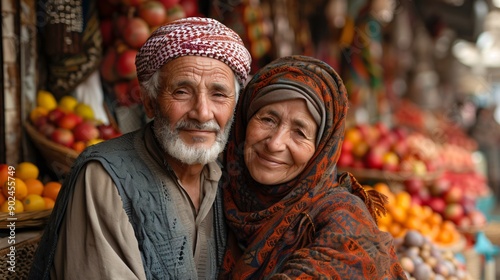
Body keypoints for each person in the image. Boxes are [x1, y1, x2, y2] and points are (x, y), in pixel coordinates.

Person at [29, 17, 251, 280]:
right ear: (149, 102)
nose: (203, 113)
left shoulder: (228, 178)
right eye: (182, 91)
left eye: (219, 94)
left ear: (234, 106)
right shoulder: (104, 177)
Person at [219, 55, 407, 279]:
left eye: (300, 132)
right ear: (244, 120)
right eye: (268, 119)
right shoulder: (215, 186)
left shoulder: (344, 221)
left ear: (321, 150)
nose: (275, 143)